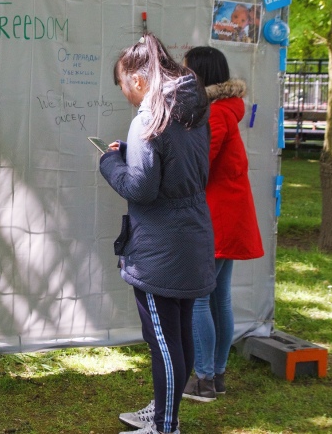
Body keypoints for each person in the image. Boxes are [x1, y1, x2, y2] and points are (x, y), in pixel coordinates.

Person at [99, 33, 216, 434]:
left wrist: (109, 162)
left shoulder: (149, 117)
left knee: (163, 342)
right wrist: (128, 156)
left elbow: (141, 189)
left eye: (122, 84)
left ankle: (166, 425)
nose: (124, 93)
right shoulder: (194, 112)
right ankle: (164, 410)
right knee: (177, 335)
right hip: (192, 233)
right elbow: (179, 171)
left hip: (160, 244)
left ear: (138, 78)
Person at [181, 46, 264, 401]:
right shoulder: (227, 109)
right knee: (219, 298)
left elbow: (200, 165)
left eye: (185, 72)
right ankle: (215, 375)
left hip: (216, 215)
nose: (181, 77)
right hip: (229, 213)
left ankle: (202, 379)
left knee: (201, 297)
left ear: (198, 75)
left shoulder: (214, 114)